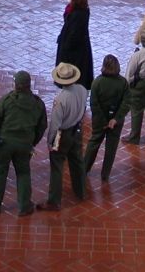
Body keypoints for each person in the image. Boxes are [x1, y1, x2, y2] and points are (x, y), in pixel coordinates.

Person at [0, 70, 47, 216]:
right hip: (24, 145)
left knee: (0, 173)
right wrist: (32, 142)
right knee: (23, 173)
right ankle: (24, 206)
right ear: (28, 85)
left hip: (3, 144)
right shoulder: (38, 104)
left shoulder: (6, 101)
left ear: (15, 84)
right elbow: (42, 126)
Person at [37, 62, 87, 211]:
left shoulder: (61, 99)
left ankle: (54, 201)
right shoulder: (82, 90)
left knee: (57, 165)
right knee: (77, 161)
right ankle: (81, 191)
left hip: (63, 134)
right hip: (77, 130)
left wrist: (50, 141)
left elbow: (55, 124)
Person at [82, 54, 129, 183]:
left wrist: (103, 121)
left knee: (94, 142)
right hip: (116, 122)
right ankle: (105, 174)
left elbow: (94, 104)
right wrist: (116, 119)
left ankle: (85, 169)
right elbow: (126, 102)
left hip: (99, 121)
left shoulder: (97, 82)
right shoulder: (123, 82)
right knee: (111, 147)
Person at [55, 0, 94, 90]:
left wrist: (65, 46)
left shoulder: (78, 15)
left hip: (75, 54)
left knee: (73, 74)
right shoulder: (77, 10)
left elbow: (74, 36)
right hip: (76, 48)